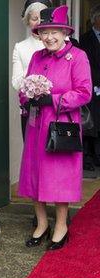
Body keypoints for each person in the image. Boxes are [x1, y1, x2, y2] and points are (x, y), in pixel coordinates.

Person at [18, 5, 92, 250]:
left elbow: (84, 93)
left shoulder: (78, 57)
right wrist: (28, 97)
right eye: (44, 31)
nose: (49, 37)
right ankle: (41, 224)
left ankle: (61, 226)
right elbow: (25, 87)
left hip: (61, 127)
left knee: (60, 179)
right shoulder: (37, 57)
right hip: (36, 125)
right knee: (35, 175)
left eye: (55, 32)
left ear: (64, 33)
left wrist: (55, 99)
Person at [12, 0, 52, 140]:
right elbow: (16, 83)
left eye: (42, 18)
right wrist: (34, 81)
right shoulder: (20, 47)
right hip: (31, 109)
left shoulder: (58, 42)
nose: (39, 22)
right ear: (27, 21)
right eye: (34, 19)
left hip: (54, 108)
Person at [80, 4, 100, 171]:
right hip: (92, 86)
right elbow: (88, 66)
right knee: (90, 122)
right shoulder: (84, 39)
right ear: (96, 20)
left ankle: (98, 156)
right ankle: (88, 157)